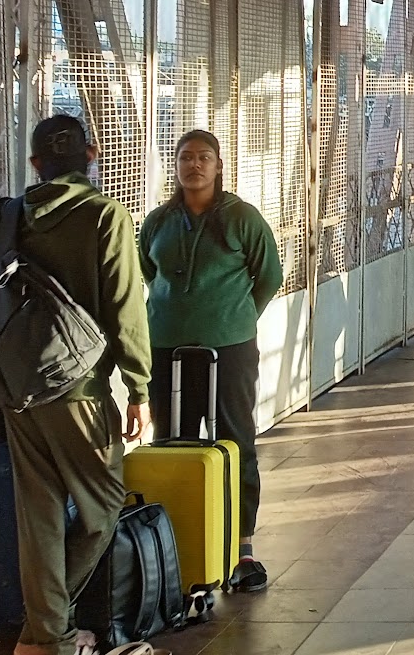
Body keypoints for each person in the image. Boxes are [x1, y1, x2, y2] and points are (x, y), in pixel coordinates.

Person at [0, 91, 152, 655]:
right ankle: (44, 631)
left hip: (18, 390)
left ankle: (46, 636)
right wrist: (140, 388)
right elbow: (126, 309)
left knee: (40, 517)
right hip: (81, 391)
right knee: (102, 509)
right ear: (93, 156)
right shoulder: (105, 216)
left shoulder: (9, 215)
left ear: (34, 165)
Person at [138, 129, 281, 593]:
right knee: (171, 440)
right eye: (185, 157)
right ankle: (173, 543)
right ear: (176, 166)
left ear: (219, 166)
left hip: (231, 348)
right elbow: (147, 271)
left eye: (204, 158)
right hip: (165, 347)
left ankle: (242, 547)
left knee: (235, 440)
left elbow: (269, 276)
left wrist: (235, 319)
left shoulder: (242, 218)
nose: (194, 165)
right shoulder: (158, 222)